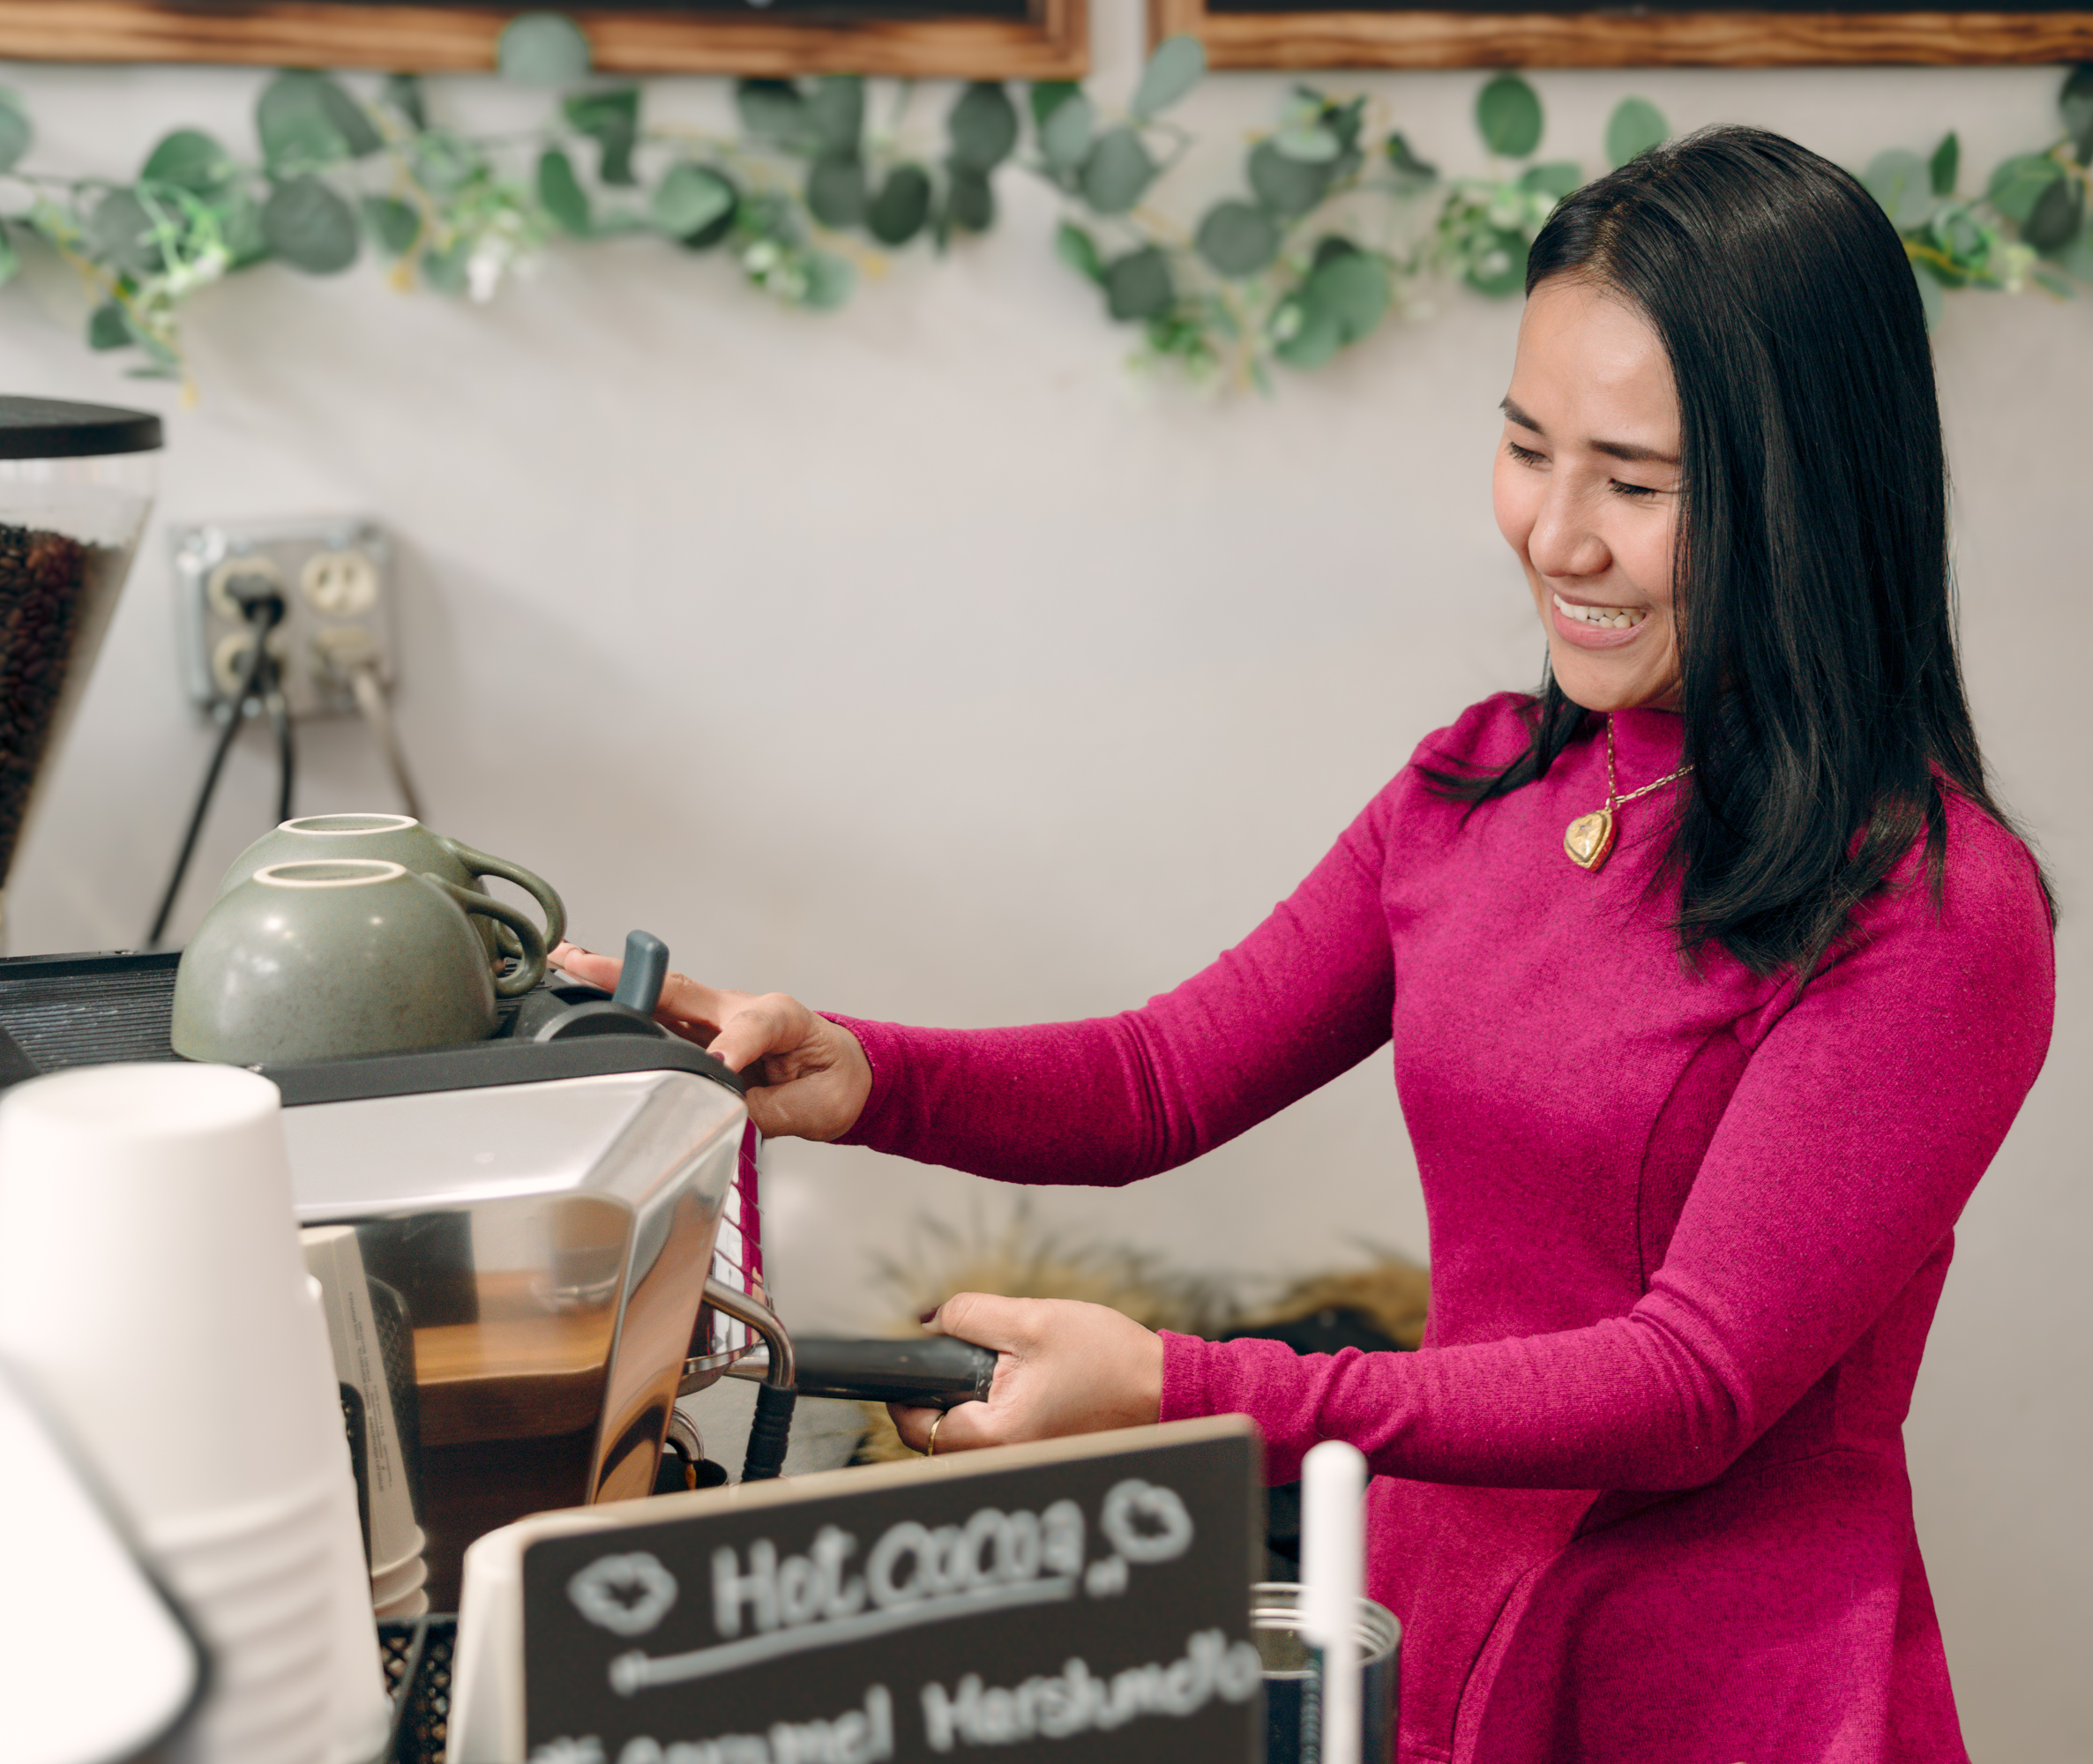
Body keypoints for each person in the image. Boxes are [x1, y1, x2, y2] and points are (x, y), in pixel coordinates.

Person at [554, 127, 2055, 1762]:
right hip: (1430, 1611)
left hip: (1714, 1691)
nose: (1556, 537)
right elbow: (1161, 1079)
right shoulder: (1482, 784)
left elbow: (1690, 1385)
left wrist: (1188, 1391)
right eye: (1525, 448)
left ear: (1810, 491)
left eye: (1635, 486)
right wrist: (861, 1074)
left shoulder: (1927, 910)